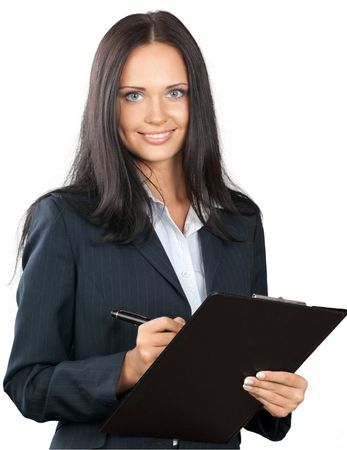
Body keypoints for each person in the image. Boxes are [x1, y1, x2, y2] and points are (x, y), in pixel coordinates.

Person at [3, 10, 308, 450]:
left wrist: (275, 398)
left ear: (195, 98)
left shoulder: (240, 221)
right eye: (133, 95)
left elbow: (241, 372)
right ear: (106, 102)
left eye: (174, 92)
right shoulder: (65, 219)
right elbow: (28, 384)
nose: (157, 115)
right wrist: (127, 367)